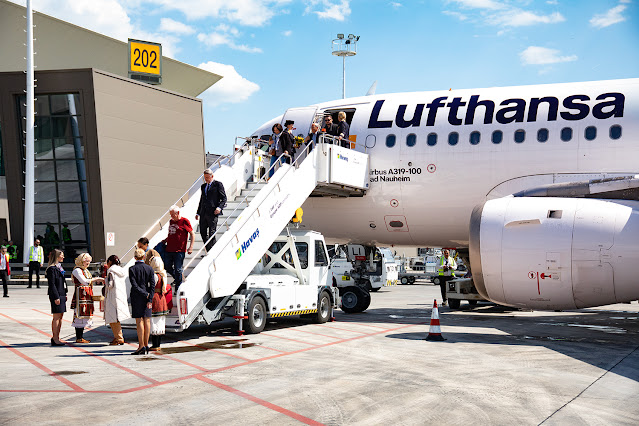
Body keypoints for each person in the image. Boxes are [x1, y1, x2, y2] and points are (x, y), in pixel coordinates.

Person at [70, 253, 104, 343]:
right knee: (80, 314)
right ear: (81, 261)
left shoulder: (85, 270)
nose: (88, 263)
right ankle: (79, 337)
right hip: (81, 294)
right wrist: (96, 279)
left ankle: (80, 337)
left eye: (89, 261)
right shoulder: (77, 270)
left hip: (86, 294)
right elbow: (84, 281)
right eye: (87, 261)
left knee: (85, 314)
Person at [129, 248, 154, 355]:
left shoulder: (132, 269)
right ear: (144, 257)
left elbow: (134, 286)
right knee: (147, 320)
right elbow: (152, 285)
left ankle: (141, 346)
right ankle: (146, 344)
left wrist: (144, 293)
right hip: (147, 297)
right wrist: (150, 298)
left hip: (137, 297)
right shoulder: (149, 268)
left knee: (139, 321)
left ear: (135, 257)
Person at [163, 206, 194, 293]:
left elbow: (192, 234)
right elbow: (171, 233)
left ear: (178, 213)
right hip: (169, 249)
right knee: (166, 266)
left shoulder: (184, 221)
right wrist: (165, 240)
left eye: (173, 215)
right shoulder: (171, 221)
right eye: (171, 215)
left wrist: (190, 247)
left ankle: (178, 287)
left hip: (179, 250)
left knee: (178, 269)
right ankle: (177, 279)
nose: (172, 217)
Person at [195, 169, 227, 253]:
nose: (206, 179)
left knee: (212, 232)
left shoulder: (218, 184)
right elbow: (201, 200)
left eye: (207, 177)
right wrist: (198, 212)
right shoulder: (203, 186)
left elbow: (224, 198)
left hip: (213, 212)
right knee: (202, 232)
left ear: (212, 176)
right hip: (203, 212)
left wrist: (219, 208)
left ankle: (213, 251)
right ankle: (209, 250)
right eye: (205, 177)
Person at [103, 255, 130, 345]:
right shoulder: (121, 270)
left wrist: (105, 280)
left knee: (113, 318)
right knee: (116, 318)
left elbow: (110, 285)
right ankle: (118, 337)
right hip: (120, 295)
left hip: (112, 296)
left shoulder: (111, 271)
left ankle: (118, 338)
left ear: (110, 262)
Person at [46, 249, 67, 346]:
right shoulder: (52, 269)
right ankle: (55, 338)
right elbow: (52, 284)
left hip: (61, 293)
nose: (63, 257)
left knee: (60, 316)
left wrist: (64, 293)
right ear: (57, 256)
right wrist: (56, 297)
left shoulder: (59, 267)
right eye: (61, 255)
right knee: (56, 317)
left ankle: (57, 337)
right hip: (56, 294)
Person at [149, 256, 170, 352]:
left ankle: (155, 344)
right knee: (160, 321)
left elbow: (151, 287)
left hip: (155, 298)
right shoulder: (163, 274)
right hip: (162, 298)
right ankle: (158, 344)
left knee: (154, 321)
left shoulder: (154, 275)